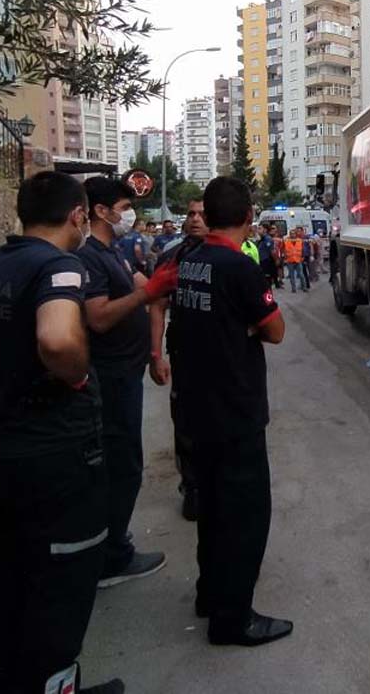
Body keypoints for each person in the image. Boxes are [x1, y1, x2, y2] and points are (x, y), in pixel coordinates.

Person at [0, 171, 165, 694]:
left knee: (17, 566)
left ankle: (17, 678)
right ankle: (54, 682)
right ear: (80, 215)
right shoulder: (59, 265)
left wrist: (1, 360)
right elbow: (59, 341)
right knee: (63, 575)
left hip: (9, 448)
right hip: (58, 452)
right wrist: (77, 374)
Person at [171, 176, 291, 647]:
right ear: (247, 217)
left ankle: (210, 594)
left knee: (213, 512)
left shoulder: (191, 262)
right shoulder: (239, 267)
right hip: (235, 411)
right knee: (243, 517)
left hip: (197, 409)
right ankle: (233, 617)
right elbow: (276, 330)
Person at [78, 177, 168, 587]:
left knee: (124, 462)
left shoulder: (110, 251)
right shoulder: (90, 257)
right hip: (111, 378)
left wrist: (153, 350)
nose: (128, 214)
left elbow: (140, 286)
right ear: (100, 211)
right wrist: (148, 294)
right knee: (122, 465)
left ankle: (112, 543)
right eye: (123, 206)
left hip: (127, 373)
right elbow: (98, 316)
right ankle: (111, 556)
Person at [149, 199, 207, 520]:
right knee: (185, 424)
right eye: (191, 214)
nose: (195, 220)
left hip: (222, 360)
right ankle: (192, 488)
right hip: (184, 355)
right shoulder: (174, 255)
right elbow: (157, 306)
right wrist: (155, 355)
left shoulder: (231, 255)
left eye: (203, 214)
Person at [283, 227, 306, 293]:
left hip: (298, 260)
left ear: (295, 234)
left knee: (301, 275)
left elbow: (303, 249)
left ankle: (304, 287)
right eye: (291, 234)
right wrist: (285, 258)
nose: (292, 235)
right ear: (289, 234)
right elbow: (283, 250)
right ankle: (293, 289)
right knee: (292, 276)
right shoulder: (286, 241)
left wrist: (303, 257)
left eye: (293, 234)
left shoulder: (299, 240)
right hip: (290, 261)